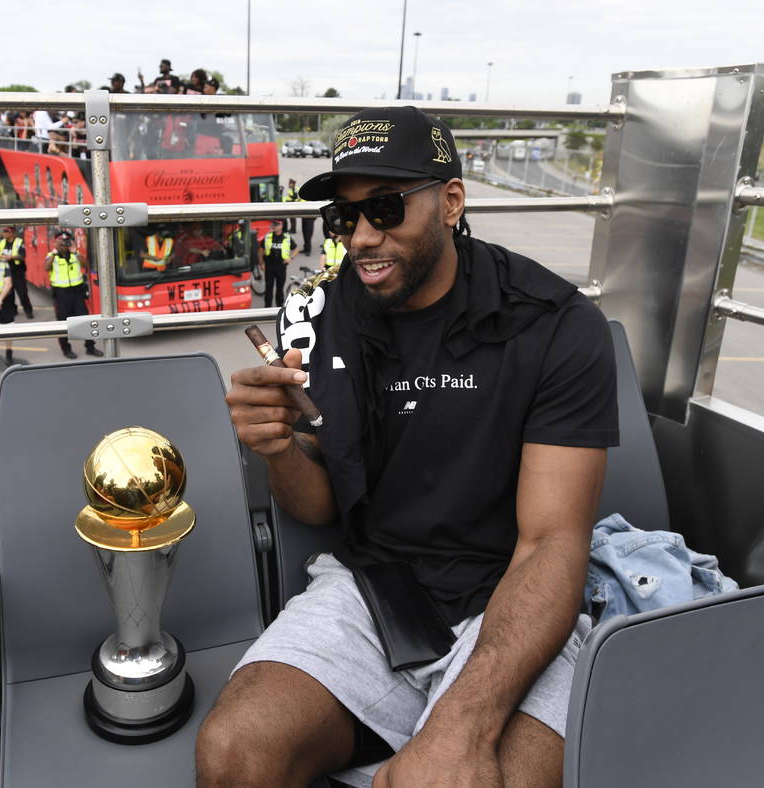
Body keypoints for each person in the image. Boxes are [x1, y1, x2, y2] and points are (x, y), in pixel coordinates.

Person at [197, 107, 618, 787]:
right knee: (232, 753)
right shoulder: (321, 314)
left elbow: (550, 544)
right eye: (344, 217)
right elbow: (320, 506)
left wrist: (458, 727)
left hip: (511, 593)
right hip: (374, 586)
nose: (361, 237)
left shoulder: (556, 325)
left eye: (386, 209)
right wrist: (275, 449)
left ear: (451, 201)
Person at [44, 230, 103, 359]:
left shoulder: (75, 254)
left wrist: (75, 252)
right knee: (63, 324)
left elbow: (86, 265)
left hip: (77, 292)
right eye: (61, 241)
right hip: (61, 294)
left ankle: (90, 347)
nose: (64, 244)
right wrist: (55, 252)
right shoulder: (51, 256)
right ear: (56, 242)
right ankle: (66, 349)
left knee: (85, 320)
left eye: (66, 241)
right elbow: (46, 267)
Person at [258, 218, 298, 308]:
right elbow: (261, 250)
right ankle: (267, 307)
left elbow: (296, 249)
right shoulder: (268, 236)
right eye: (273, 225)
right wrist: (261, 263)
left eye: (276, 225)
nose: (274, 227)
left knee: (280, 288)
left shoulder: (287, 237)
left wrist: (291, 258)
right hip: (269, 266)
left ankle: (279, 308)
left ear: (281, 226)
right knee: (269, 288)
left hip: (281, 266)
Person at [0, 225, 33, 318]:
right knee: (9, 294)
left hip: (18, 272)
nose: (4, 233)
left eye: (7, 231)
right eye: (4, 231)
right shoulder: (2, 242)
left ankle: (28, 311)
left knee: (22, 293)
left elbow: (22, 256)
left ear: (12, 233)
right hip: (6, 271)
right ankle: (13, 311)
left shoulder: (19, 242)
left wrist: (11, 257)